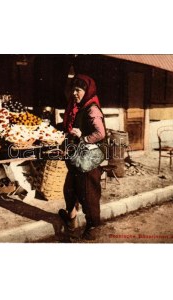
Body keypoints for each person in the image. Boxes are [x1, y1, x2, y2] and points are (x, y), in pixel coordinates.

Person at [59, 74, 106, 241]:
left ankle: (93, 226)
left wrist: (83, 137)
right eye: (73, 89)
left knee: (88, 194)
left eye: (78, 90)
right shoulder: (78, 107)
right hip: (77, 157)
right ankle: (71, 217)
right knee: (70, 188)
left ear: (86, 91)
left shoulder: (92, 108)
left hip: (88, 160)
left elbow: (100, 133)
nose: (74, 93)